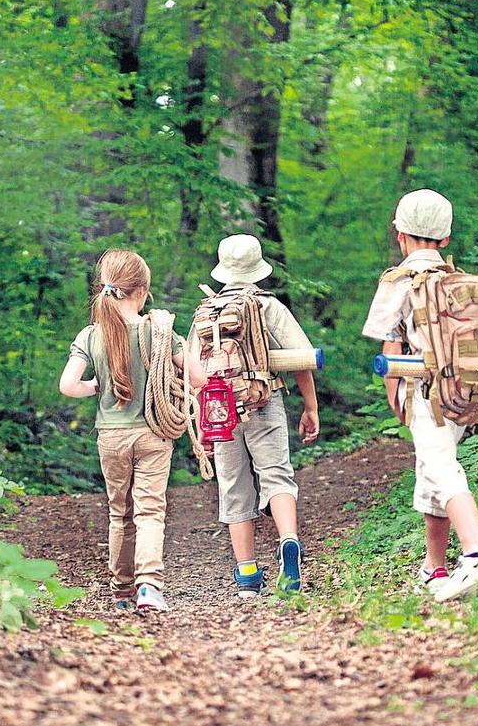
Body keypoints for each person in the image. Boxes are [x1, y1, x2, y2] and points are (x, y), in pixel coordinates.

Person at [361, 189, 478, 601]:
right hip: (469, 389)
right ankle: (434, 569)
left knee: (440, 467)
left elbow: (391, 342)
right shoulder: (460, 283)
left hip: (426, 391)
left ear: (400, 234)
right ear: (445, 238)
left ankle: (477, 552)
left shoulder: (400, 280)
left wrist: (395, 396)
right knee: (431, 473)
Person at [59, 249, 206, 612]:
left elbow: (68, 385)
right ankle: (149, 587)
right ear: (142, 290)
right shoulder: (159, 332)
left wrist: (98, 386)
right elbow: (198, 379)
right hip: (153, 432)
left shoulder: (91, 334)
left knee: (118, 512)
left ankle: (121, 590)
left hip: (110, 435)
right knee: (150, 511)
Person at [198, 234, 320, 597]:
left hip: (221, 410)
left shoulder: (208, 312)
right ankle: (288, 541)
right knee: (277, 476)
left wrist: (203, 427)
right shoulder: (269, 307)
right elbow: (301, 358)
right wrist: (310, 406)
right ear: (258, 268)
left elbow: (195, 373)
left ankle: (248, 574)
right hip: (263, 401)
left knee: (233, 486)